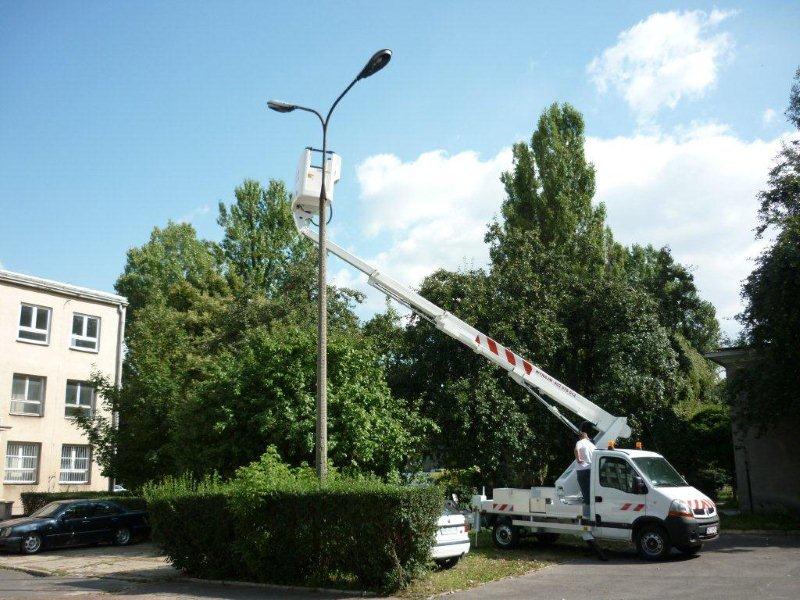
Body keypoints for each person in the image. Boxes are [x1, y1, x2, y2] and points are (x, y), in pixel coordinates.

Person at [574, 421, 596, 506]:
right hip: (591, 469)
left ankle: (587, 504)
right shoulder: (592, 445)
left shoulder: (580, 442)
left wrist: (578, 459)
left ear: (580, 437)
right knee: (590, 489)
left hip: (582, 469)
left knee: (584, 488)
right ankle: (591, 504)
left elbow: (576, 449)